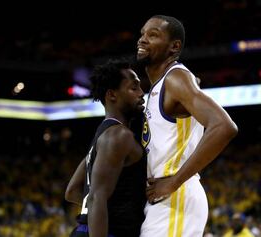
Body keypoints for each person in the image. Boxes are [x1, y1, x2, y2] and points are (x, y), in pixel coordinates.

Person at [136, 15, 238, 237]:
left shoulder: (176, 78)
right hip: (164, 199)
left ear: (174, 47)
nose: (142, 40)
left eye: (153, 35)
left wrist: (174, 181)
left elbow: (224, 126)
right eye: (142, 34)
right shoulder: (158, 86)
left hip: (176, 197)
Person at [65, 58, 147, 237]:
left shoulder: (103, 135)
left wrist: (111, 212)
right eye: (134, 88)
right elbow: (95, 199)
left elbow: (72, 191)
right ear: (112, 95)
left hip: (86, 230)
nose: (142, 93)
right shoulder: (119, 136)